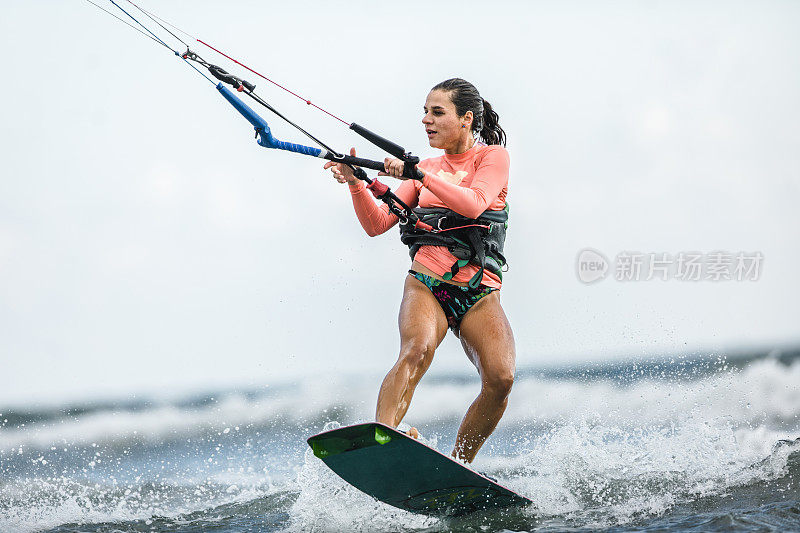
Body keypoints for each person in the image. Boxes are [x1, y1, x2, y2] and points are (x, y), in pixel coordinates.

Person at [325, 78, 514, 464]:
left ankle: (460, 465)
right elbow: (378, 223)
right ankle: (384, 442)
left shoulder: (491, 158)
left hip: (479, 291)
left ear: (466, 119)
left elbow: (475, 203)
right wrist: (357, 184)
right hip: (427, 282)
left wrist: (418, 174)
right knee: (416, 350)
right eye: (425, 111)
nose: (425, 119)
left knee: (501, 378)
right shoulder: (423, 169)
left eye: (436, 112)